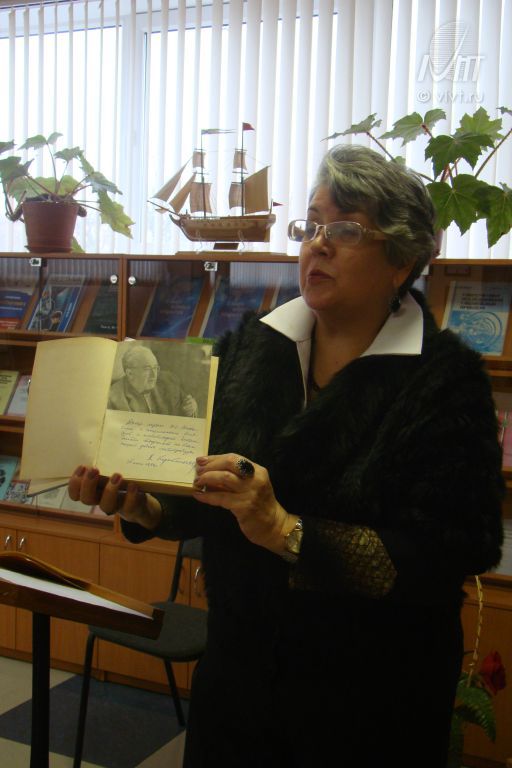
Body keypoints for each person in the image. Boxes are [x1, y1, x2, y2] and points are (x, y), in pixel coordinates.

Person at [68, 144, 504, 768]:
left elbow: (445, 555)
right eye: (311, 225)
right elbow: (206, 491)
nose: (317, 245)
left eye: (345, 230)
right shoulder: (250, 349)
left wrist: (286, 531)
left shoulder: (446, 382)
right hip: (238, 687)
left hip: (370, 704)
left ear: (402, 260)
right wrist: (146, 507)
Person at [107, 344, 198, 416]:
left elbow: (187, 409)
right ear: (130, 373)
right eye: (147, 369)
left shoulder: (168, 382)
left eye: (155, 368)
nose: (154, 375)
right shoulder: (114, 398)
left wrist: (191, 408)